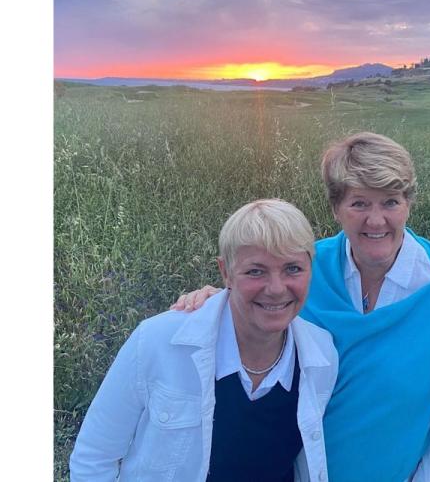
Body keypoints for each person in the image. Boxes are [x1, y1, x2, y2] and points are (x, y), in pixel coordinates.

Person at [175, 132, 430, 481]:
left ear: (409, 204)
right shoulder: (306, 270)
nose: (376, 220)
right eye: (359, 203)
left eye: (390, 202)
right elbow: (259, 298)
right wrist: (214, 301)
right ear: (336, 208)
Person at [70, 199, 339, 482]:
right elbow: (94, 457)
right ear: (226, 272)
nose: (275, 288)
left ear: (311, 267)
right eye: (255, 271)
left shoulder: (321, 355)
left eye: (293, 269)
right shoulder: (158, 341)